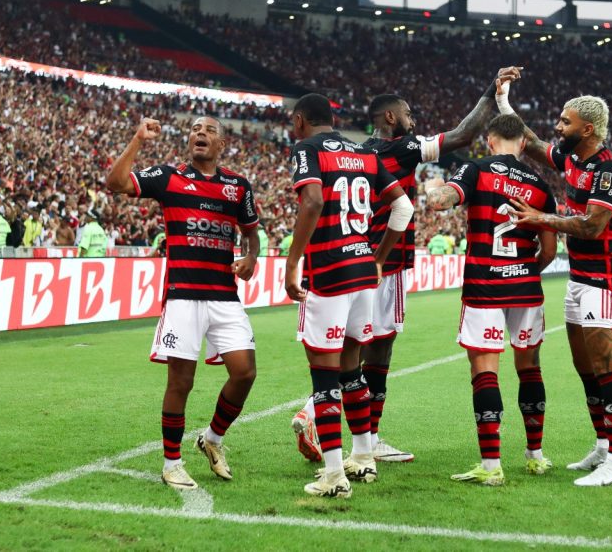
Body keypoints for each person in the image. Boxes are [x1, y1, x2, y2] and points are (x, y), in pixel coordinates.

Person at [290, 66, 523, 466]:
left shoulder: (357, 152)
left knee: (347, 351)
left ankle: (327, 420)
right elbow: (464, 135)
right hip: (384, 264)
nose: (415, 122)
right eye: (409, 115)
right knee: (376, 353)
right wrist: (492, 89)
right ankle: (353, 431)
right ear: (392, 119)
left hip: (347, 262)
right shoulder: (404, 148)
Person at [106, 115, 260, 492]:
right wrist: (138, 139)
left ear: (222, 144)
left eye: (208, 130)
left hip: (224, 296)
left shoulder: (238, 187)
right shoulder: (168, 177)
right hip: (183, 296)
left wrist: (251, 258)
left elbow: (252, 234)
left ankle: (212, 438)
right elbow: (116, 183)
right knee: (181, 382)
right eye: (194, 129)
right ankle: (171, 463)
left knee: (245, 373)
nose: (199, 134)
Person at [501, 85, 612, 487]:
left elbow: (594, 226)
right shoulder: (574, 159)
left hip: (605, 279)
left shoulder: (611, 170)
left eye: (565, 122)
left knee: (607, 367)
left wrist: (541, 219)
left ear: (589, 129)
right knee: (585, 368)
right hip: (580, 279)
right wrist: (505, 102)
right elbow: (534, 144)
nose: (558, 128)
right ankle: (603, 445)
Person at [283, 93, 414, 499]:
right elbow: (403, 208)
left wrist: (292, 263)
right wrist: (379, 256)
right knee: (352, 370)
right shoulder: (365, 154)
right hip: (364, 273)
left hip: (330, 272)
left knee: (324, 375)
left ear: (301, 121)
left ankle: (334, 473)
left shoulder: (306, 150)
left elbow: (314, 199)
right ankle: (364, 458)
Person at [425, 110, 558, 486]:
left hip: (485, 286)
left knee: (485, 371)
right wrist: (525, 271)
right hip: (526, 288)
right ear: (523, 145)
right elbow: (548, 249)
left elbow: (444, 199)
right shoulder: (540, 186)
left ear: (490, 141)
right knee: (529, 368)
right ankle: (535, 456)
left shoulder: (477, 169)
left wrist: (435, 192)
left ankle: (491, 465)